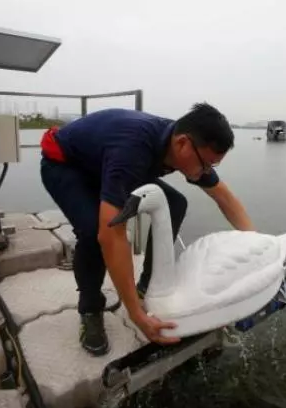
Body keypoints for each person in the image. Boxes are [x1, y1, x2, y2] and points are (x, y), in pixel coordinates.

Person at [40, 102, 254, 356]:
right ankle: (90, 309)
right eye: (206, 164)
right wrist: (136, 314)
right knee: (92, 232)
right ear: (183, 144)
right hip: (66, 166)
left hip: (105, 163)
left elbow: (224, 197)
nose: (207, 172)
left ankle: (146, 287)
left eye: (212, 167)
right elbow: (112, 234)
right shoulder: (133, 149)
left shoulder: (183, 146)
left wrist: (259, 245)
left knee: (175, 202)